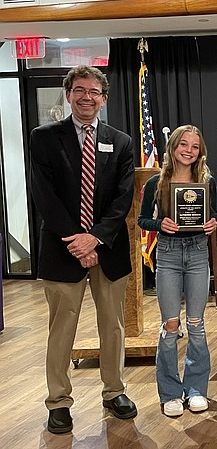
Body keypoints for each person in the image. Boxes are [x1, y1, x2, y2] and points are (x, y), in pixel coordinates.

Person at [30, 65, 137, 434]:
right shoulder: (44, 138)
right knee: (61, 329)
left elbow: (124, 197)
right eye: (79, 90)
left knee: (113, 327)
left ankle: (114, 391)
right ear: (68, 94)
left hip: (108, 248)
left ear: (103, 99)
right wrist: (77, 239)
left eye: (94, 91)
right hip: (62, 249)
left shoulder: (121, 141)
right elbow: (45, 197)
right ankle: (58, 401)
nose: (86, 97)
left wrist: (95, 238)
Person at [138, 125, 217, 417]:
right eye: (183, 144)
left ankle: (197, 389)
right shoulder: (156, 184)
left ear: (201, 151)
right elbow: (143, 220)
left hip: (197, 253)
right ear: (172, 147)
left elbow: (214, 213)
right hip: (169, 256)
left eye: (194, 146)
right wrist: (160, 225)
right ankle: (170, 392)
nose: (188, 150)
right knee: (170, 326)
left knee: (196, 324)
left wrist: (212, 223)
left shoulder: (206, 180)